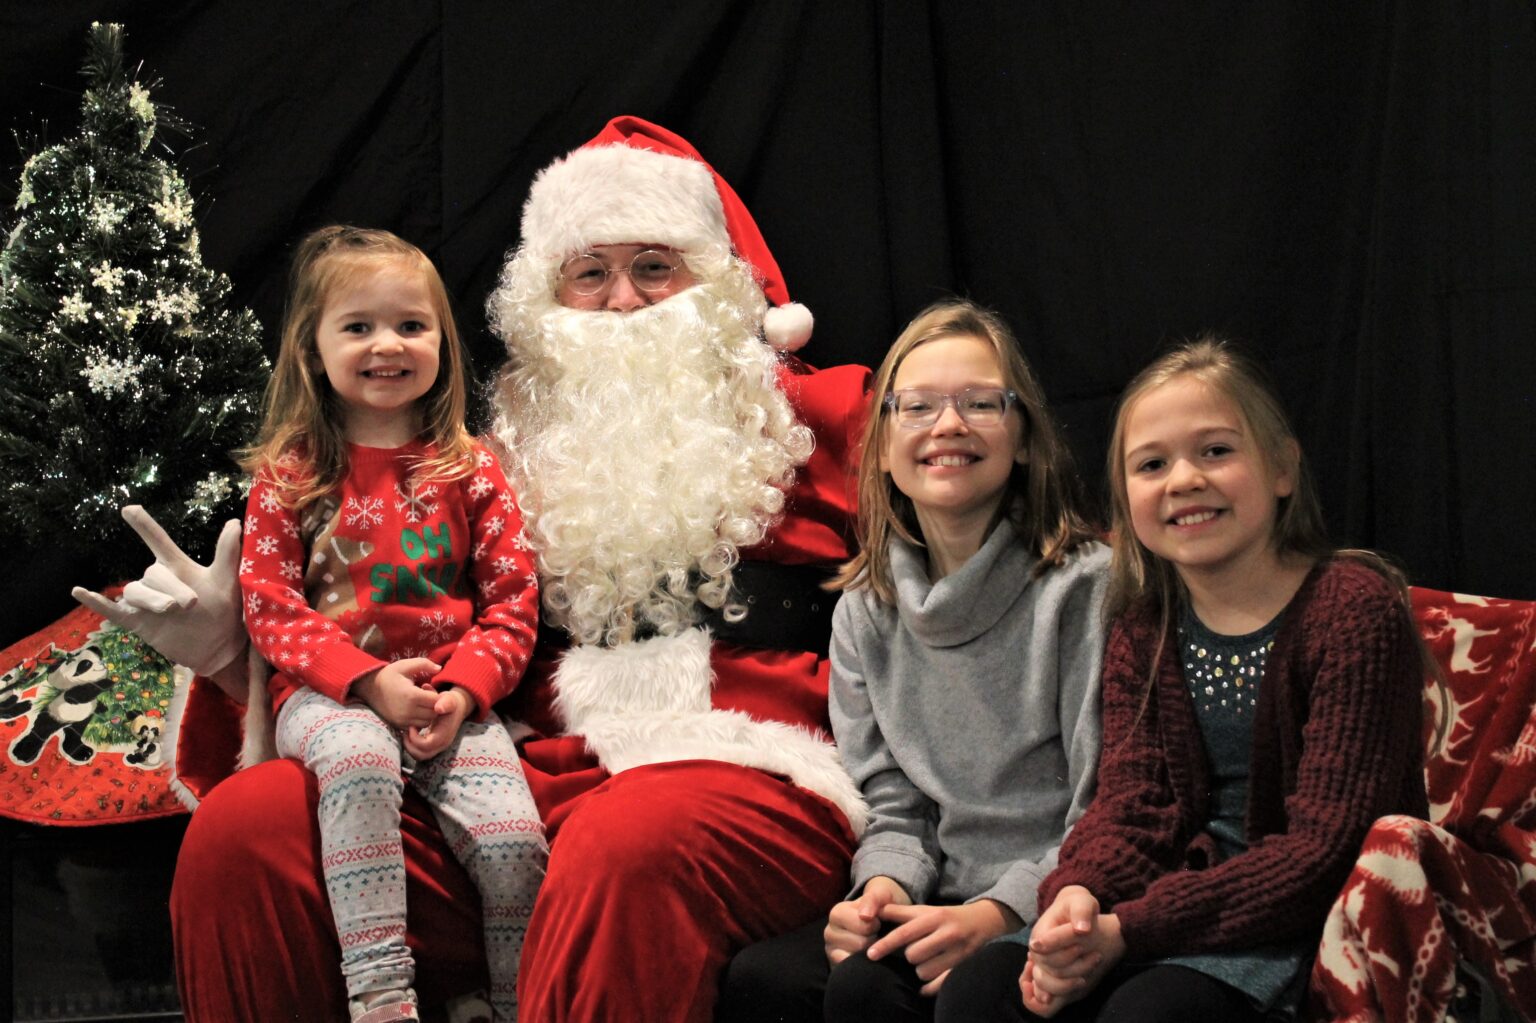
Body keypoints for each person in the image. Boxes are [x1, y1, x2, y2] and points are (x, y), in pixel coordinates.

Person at [84, 117, 872, 1022]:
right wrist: (232, 654)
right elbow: (401, 622)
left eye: (655, 266)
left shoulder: (833, 415)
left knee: (621, 848)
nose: (622, 302)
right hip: (531, 776)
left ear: (721, 283)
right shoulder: (492, 459)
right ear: (548, 299)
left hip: (755, 768)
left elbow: (993, 565)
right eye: (590, 272)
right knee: (247, 831)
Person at [941, 337, 1429, 1021]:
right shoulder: (1145, 623)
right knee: (981, 994)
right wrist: (1079, 894)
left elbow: (1324, 849)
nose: (1183, 480)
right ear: (1126, 500)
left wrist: (1128, 931)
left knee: (1149, 1015)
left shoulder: (1350, 609)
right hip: (1156, 904)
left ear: (1282, 467)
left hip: (1288, 918)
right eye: (1151, 464)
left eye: (1216, 451)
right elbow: (1131, 804)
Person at [714, 299, 1110, 1023]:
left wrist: (998, 913)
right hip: (941, 896)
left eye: (980, 403)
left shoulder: (1086, 588)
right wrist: (882, 891)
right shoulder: (865, 610)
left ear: (1023, 436)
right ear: (884, 445)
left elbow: (1106, 806)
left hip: (1063, 899)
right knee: (766, 980)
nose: (948, 425)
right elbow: (895, 805)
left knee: (924, 993)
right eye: (918, 406)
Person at [245, 226, 546, 1021]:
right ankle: (381, 998)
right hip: (329, 695)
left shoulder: (470, 466)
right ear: (313, 350)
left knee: (516, 839)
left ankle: (520, 1003)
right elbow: (271, 605)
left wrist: (463, 692)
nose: (389, 344)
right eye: (359, 326)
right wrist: (366, 681)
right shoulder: (293, 470)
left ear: (442, 341)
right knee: (356, 761)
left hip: (448, 697)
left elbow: (513, 602)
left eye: (412, 325)